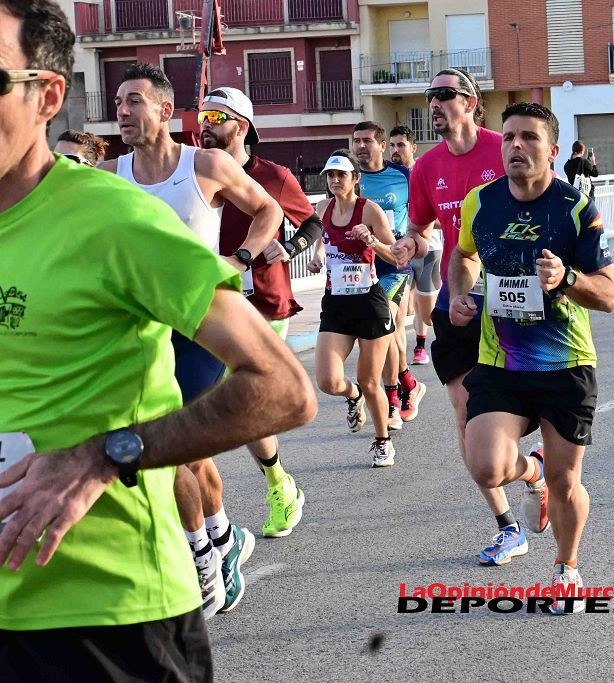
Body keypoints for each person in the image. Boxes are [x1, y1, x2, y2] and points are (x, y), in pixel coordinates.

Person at [0, 2, 316, 678]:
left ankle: (216, 538)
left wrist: (106, 455)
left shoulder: (113, 214)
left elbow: (284, 387)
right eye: (119, 102)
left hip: (102, 614)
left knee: (187, 458)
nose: (126, 112)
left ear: (47, 95)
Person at [98, 63, 284, 618]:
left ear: (163, 109)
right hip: (143, 333)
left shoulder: (203, 164)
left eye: (134, 101)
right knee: (184, 451)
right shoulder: (109, 175)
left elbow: (268, 208)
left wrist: (241, 258)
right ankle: (223, 539)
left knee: (171, 446)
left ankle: (202, 556)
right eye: (118, 102)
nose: (122, 111)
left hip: (202, 327)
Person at [449, 102, 614, 613]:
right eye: (507, 138)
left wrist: (565, 279)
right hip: (501, 360)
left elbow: (610, 295)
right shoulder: (480, 202)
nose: (515, 146)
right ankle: (532, 473)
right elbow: (462, 256)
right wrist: (460, 293)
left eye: (528, 137)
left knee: (569, 483)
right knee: (486, 466)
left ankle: (567, 568)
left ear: (553, 150)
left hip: (565, 364)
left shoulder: (575, 209)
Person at [390, 68, 548, 566]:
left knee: (529, 410)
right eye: (429, 96)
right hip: (458, 300)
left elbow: (545, 200)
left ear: (471, 101)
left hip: (517, 294)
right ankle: (507, 525)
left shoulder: (503, 146)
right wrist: (407, 243)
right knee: (466, 415)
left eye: (443, 95)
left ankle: (532, 471)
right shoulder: (426, 168)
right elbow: (421, 228)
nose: (434, 103)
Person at [198, 86, 322, 540]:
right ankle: (275, 481)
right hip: (210, 304)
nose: (205, 125)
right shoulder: (194, 172)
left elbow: (312, 222)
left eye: (216, 116)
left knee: (245, 395)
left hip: (266, 301)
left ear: (242, 126)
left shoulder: (273, 175)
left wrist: (288, 248)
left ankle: (275, 485)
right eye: (202, 116)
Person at [310, 150, 399, 465]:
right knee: (327, 380)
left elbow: (397, 256)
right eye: (330, 176)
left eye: (341, 175)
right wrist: (318, 254)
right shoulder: (323, 208)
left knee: (370, 380)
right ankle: (352, 396)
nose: (334, 181)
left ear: (356, 179)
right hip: (336, 303)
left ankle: (382, 440)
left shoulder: (370, 210)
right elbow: (323, 238)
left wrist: (372, 241)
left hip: (369, 303)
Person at [353, 120, 425, 430]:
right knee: (391, 332)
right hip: (359, 267)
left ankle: (393, 401)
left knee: (383, 330)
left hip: (393, 265)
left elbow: (425, 214)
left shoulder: (404, 176)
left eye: (368, 140)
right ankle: (409, 383)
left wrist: (413, 241)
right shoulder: (351, 179)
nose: (361, 146)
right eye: (356, 140)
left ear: (382, 145)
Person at [390, 125, 440, 366]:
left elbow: (442, 211)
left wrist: (422, 227)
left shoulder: (425, 172)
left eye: (400, 145)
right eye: (392, 145)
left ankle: (424, 343)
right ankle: (405, 356)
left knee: (426, 309)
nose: (395, 150)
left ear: (413, 147)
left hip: (428, 248)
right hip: (398, 249)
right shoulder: (389, 177)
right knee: (399, 306)